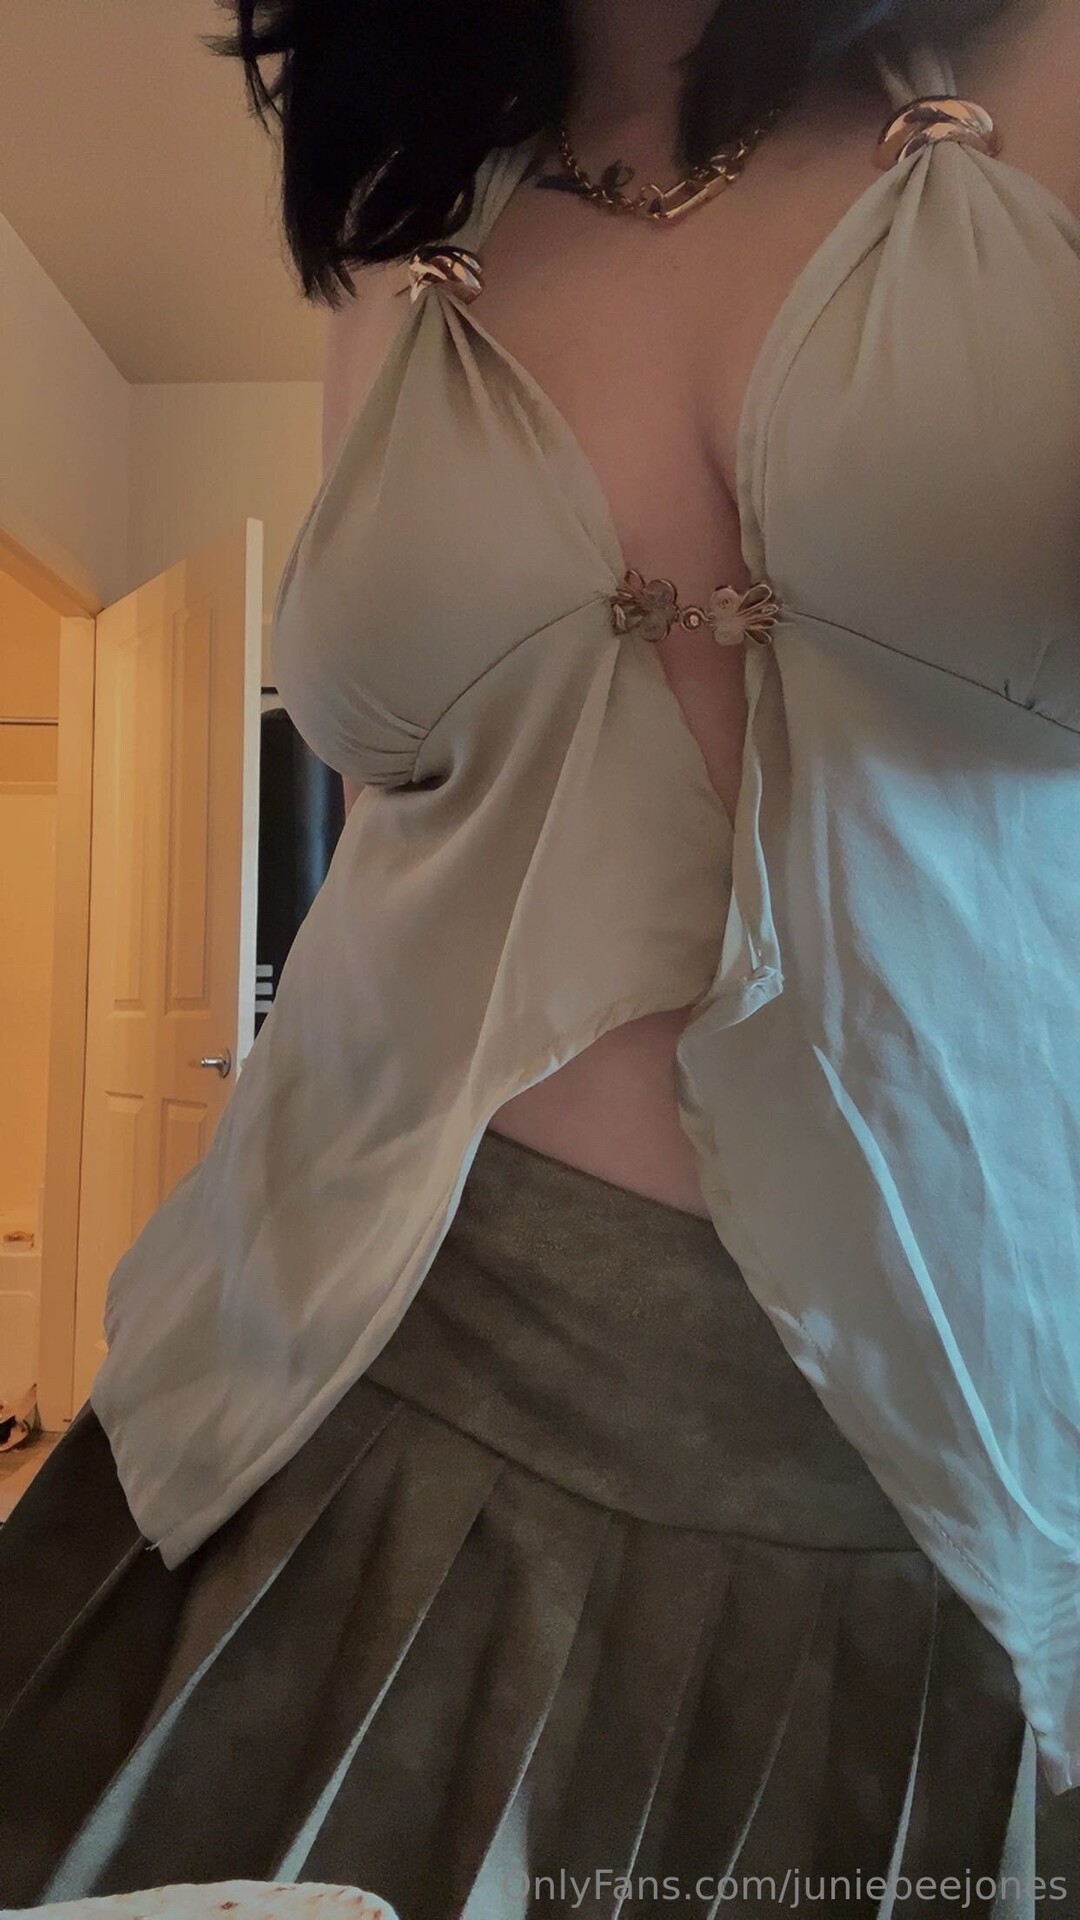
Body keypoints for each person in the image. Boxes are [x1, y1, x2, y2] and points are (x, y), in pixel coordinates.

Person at [1, 0, 1078, 1913]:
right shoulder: (400, 240)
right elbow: (395, 824)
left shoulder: (1049, 66)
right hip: (333, 1383)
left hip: (947, 1463)